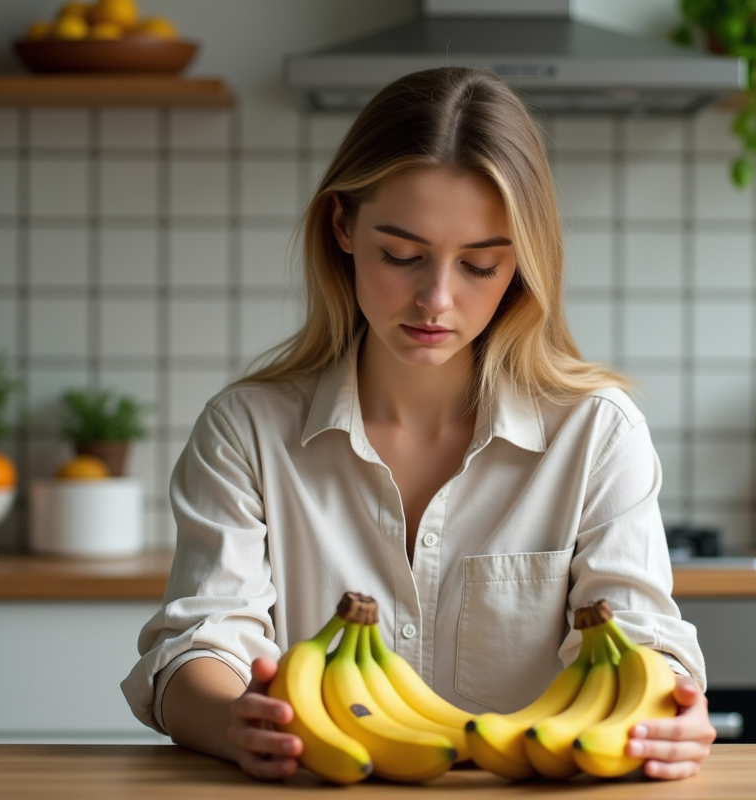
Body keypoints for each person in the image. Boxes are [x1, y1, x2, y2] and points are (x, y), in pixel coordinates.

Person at [121, 66, 715, 781]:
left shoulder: (596, 434)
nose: (436, 298)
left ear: (522, 265)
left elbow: (640, 639)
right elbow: (199, 643)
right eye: (401, 255)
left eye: (480, 265)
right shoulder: (245, 432)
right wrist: (231, 722)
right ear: (342, 226)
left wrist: (663, 707)